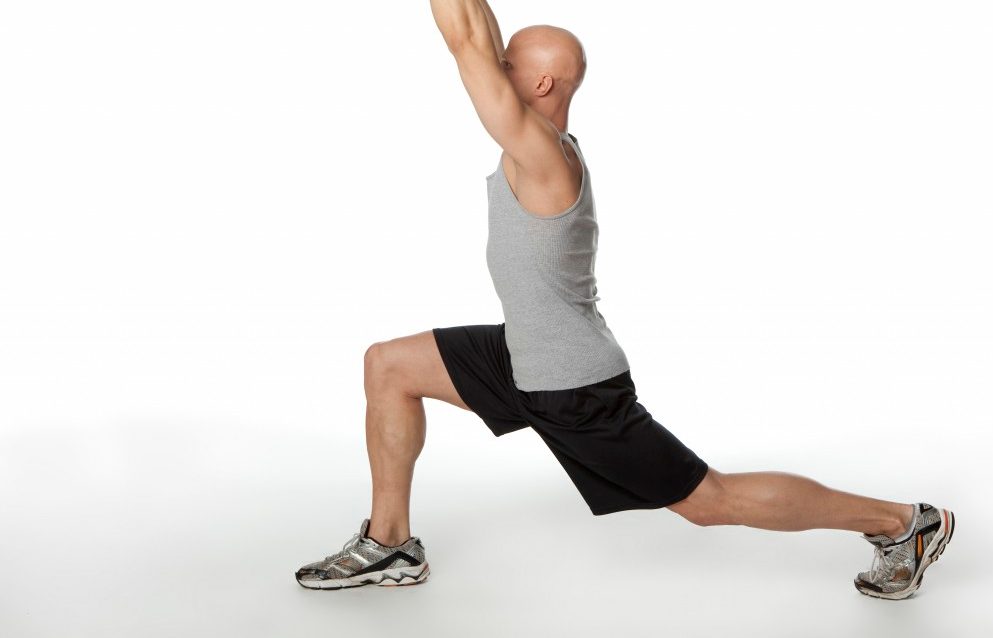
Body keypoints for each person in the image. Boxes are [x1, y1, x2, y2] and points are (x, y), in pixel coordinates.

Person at [294, 0, 955, 600]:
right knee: (389, 365)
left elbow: (465, 41)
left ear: (542, 85)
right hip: (522, 354)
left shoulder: (541, 156)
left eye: (510, 65)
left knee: (709, 500)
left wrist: (474, 44)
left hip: (573, 384)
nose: (495, 67)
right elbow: (479, 33)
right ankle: (390, 543)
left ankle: (903, 523)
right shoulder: (531, 145)